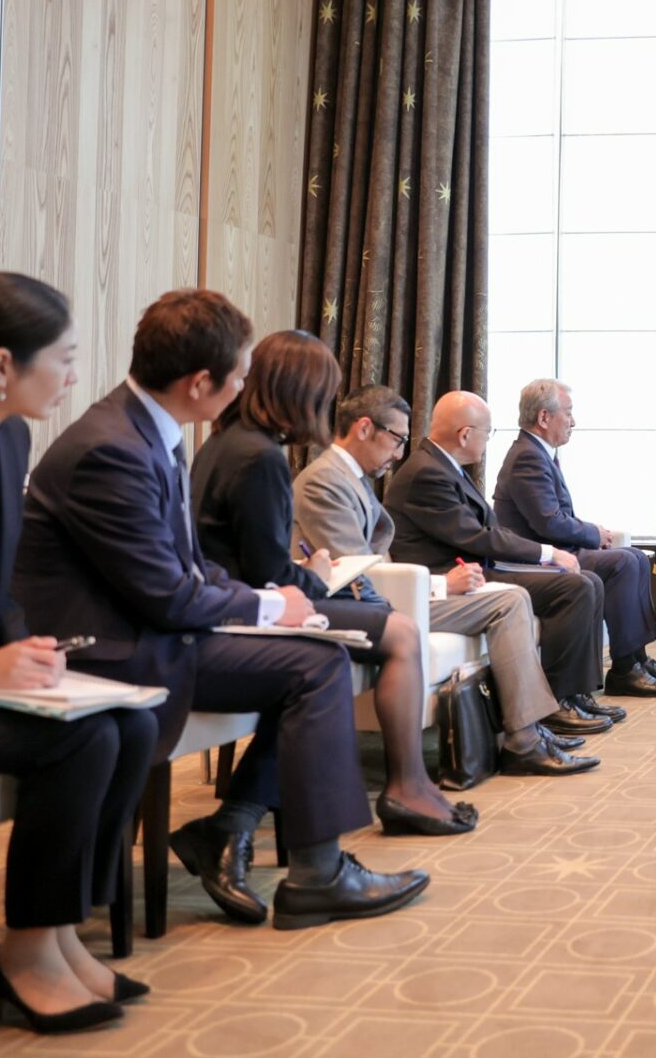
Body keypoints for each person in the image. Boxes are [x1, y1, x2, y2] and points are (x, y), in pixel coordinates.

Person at [15, 288, 428, 932]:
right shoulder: (114, 447)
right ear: (201, 383)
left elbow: (188, 564)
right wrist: (270, 604)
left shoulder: (153, 432)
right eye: (239, 375)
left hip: (153, 628)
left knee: (317, 658)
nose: (244, 388)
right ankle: (311, 870)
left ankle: (268, 844)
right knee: (317, 662)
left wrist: (273, 603)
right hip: (117, 648)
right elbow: (168, 593)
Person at [0, 273, 155, 1032]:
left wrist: (22, 645)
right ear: (0, 365)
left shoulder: (8, 438)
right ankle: (25, 951)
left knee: (132, 725)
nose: (72, 377)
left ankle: (59, 932)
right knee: (82, 740)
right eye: (64, 358)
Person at [190, 332, 473, 835]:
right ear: (298, 392)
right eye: (322, 395)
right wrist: (318, 575)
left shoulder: (223, 442)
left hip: (233, 602)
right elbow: (269, 573)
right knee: (400, 632)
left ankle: (240, 819)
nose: (324, 411)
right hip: (248, 610)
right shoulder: (259, 456)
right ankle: (406, 786)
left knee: (379, 632)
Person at [293, 383, 598, 774]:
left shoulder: (351, 478)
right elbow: (358, 574)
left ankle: (529, 733)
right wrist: (439, 586)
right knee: (510, 600)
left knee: (514, 598)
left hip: (399, 592)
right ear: (365, 428)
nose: (399, 453)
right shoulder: (324, 482)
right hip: (371, 605)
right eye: (397, 439)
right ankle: (524, 740)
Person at [384, 391, 622, 723]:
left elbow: (488, 529)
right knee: (575, 588)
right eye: (487, 432)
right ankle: (558, 700)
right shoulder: (427, 473)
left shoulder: (443, 465)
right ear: (465, 434)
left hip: (477, 569)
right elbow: (477, 537)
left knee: (588, 581)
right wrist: (546, 553)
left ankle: (577, 693)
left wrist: (544, 555)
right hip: (455, 578)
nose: (488, 440)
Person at [494, 379, 656, 693]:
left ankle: (637, 659)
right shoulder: (527, 457)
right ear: (544, 417)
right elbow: (548, 523)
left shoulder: (537, 452)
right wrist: (593, 534)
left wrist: (593, 531)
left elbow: (554, 516)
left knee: (636, 557)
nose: (573, 422)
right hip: (539, 558)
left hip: (558, 548)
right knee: (624, 563)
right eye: (568, 413)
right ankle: (625, 669)